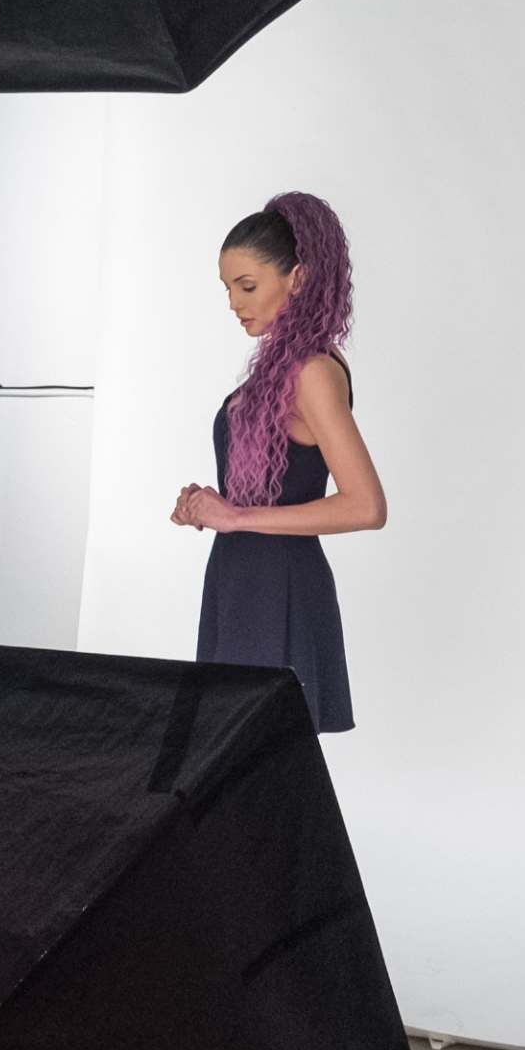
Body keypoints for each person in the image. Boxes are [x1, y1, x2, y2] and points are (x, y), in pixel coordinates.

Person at [171, 192, 384, 733]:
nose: (234, 303)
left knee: (257, 761)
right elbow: (268, 485)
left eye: (247, 286)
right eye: (227, 289)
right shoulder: (276, 370)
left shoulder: (313, 373)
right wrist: (207, 505)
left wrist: (236, 517)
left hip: (278, 591)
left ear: (298, 278)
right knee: (231, 759)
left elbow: (366, 506)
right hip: (239, 582)